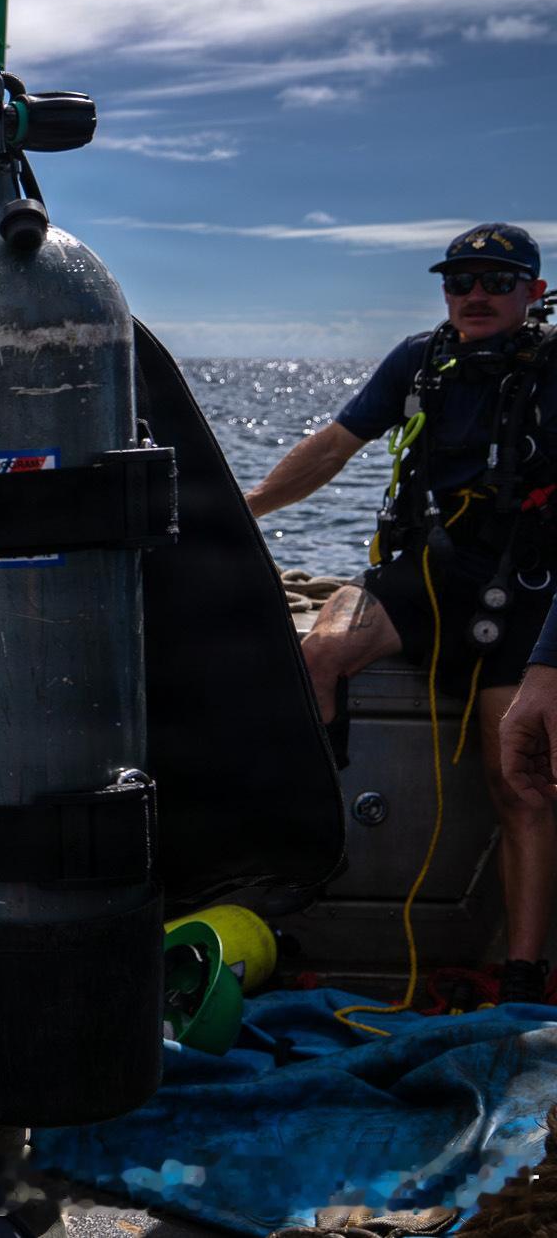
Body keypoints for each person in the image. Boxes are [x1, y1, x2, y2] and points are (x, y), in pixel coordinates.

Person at [244, 223, 554, 1004]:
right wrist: (240, 508)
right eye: (460, 281)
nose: (474, 294)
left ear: (535, 293)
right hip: (419, 578)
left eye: (497, 280)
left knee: (515, 776)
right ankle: (302, 877)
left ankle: (520, 970)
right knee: (315, 657)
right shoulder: (420, 360)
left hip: (522, 595)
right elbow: (334, 445)